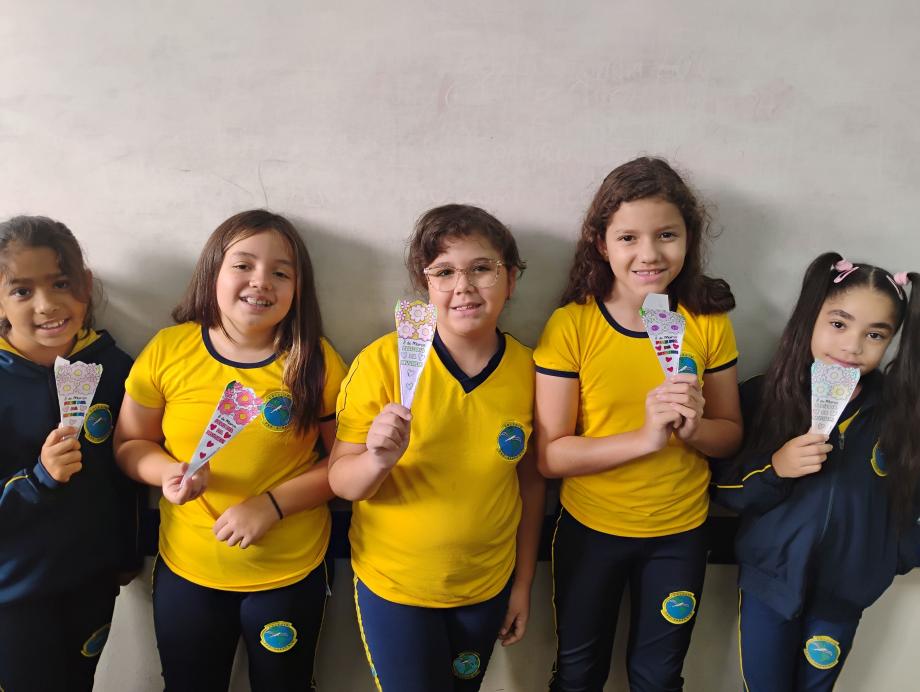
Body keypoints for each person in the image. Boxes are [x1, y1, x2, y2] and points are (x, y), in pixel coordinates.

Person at [534, 157, 743, 691]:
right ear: (601, 244)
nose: (649, 254)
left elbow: (730, 434)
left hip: (680, 534)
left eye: (666, 235)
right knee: (578, 675)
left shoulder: (706, 322)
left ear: (689, 239)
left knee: (659, 677)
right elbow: (551, 456)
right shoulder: (573, 325)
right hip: (591, 531)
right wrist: (645, 439)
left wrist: (695, 430)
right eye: (628, 237)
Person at [114, 210, 346, 691]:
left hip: (289, 570)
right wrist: (166, 473)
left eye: (281, 272)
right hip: (188, 569)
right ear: (212, 272)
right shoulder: (168, 350)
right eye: (243, 265)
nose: (261, 281)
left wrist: (272, 505)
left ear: (298, 288)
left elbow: (344, 466)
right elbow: (130, 444)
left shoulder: (316, 361)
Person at [329, 204, 545, 691]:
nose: (463, 286)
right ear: (424, 286)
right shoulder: (381, 363)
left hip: (486, 586)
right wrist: (377, 459)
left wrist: (522, 584)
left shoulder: (531, 371)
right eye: (444, 272)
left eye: (481, 268)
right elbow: (341, 482)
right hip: (396, 587)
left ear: (511, 280)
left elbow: (531, 486)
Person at [712, 252, 920, 691]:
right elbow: (724, 488)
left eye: (875, 334)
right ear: (812, 318)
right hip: (770, 585)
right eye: (839, 324)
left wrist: (890, 558)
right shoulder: (765, 397)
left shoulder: (899, 416)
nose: (852, 346)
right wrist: (776, 469)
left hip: (843, 594)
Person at [0, 215, 141, 691]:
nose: (47, 304)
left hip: (92, 581)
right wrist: (39, 479)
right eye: (22, 291)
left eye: (61, 283)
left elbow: (124, 473)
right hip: (13, 592)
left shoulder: (114, 367)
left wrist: (127, 550)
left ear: (85, 284)